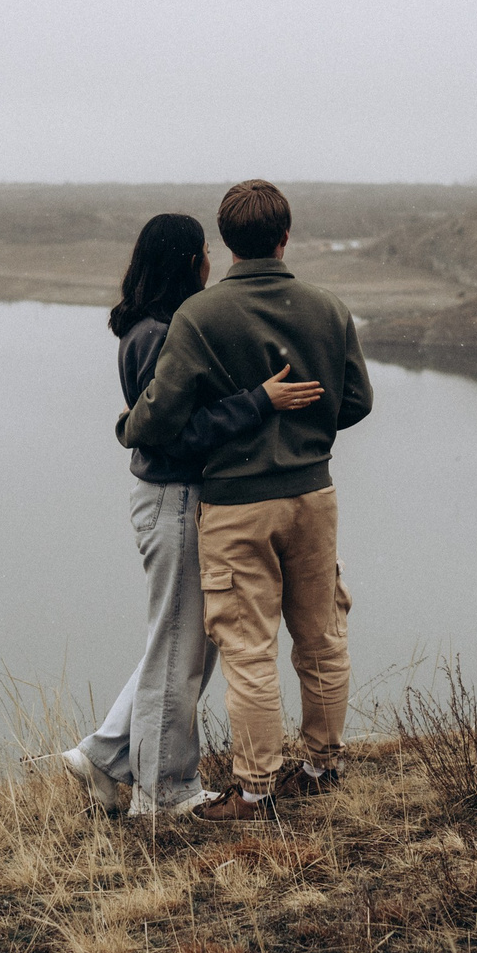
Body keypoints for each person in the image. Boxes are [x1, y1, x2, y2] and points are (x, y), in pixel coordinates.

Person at [119, 180, 373, 822]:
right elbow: (358, 402)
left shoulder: (199, 318)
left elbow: (157, 421)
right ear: (286, 236)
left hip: (236, 505)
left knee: (248, 649)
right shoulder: (327, 306)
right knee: (322, 635)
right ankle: (322, 766)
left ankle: (256, 789)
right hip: (314, 494)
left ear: (225, 244)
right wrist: (304, 433)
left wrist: (126, 427)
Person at [62, 213, 322, 818]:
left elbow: (153, 423)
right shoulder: (160, 334)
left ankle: (103, 755)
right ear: (186, 262)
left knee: (181, 646)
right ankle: (164, 792)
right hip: (177, 498)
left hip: (175, 500)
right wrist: (261, 401)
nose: (211, 263)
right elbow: (176, 432)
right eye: (203, 253)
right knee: (181, 651)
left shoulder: (152, 326)